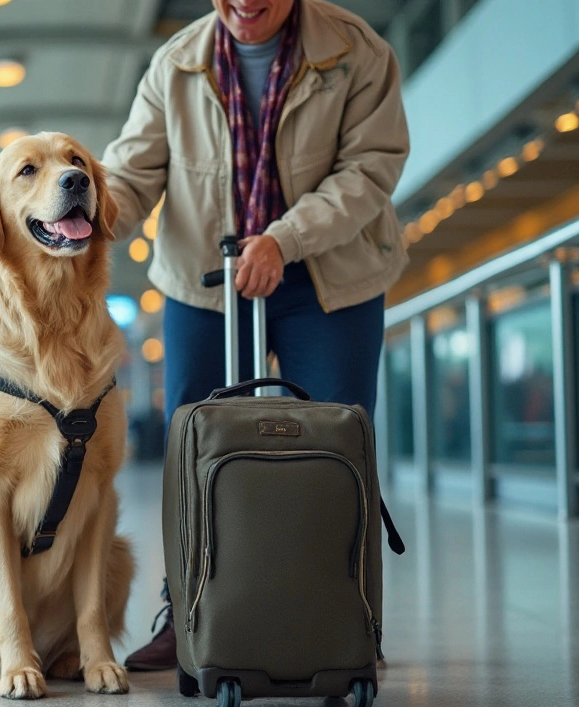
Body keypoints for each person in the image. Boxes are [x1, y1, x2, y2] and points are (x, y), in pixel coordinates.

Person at [103, 0, 409, 670]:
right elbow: (130, 174)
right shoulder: (176, 63)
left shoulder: (357, 50)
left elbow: (370, 168)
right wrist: (85, 217)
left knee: (340, 436)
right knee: (193, 437)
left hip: (329, 271)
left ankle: (347, 616)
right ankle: (185, 611)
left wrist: (284, 238)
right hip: (204, 276)